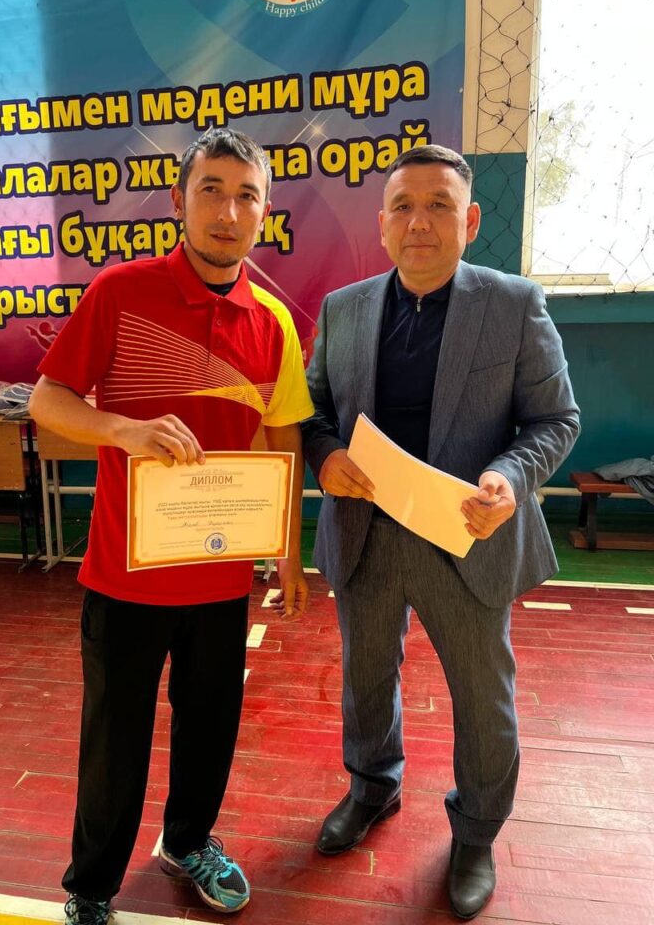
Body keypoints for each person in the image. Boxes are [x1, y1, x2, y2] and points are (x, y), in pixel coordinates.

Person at [29, 128, 313, 925]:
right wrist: (123, 430)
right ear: (179, 202)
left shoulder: (272, 322)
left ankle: (188, 843)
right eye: (211, 191)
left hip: (221, 573)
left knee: (210, 727)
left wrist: (289, 553)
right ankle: (91, 887)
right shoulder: (121, 292)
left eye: (247, 195)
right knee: (115, 742)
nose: (229, 211)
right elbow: (49, 401)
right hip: (126, 575)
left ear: (265, 211)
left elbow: (283, 437)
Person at [301, 144, 579, 920]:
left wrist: (510, 478)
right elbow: (313, 412)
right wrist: (324, 457)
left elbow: (556, 420)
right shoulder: (344, 308)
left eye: (439, 206)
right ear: (382, 223)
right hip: (366, 533)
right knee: (366, 678)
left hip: (467, 536)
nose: (419, 222)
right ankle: (372, 787)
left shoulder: (515, 304)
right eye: (404, 206)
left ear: (471, 220)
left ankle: (477, 832)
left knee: (483, 696)